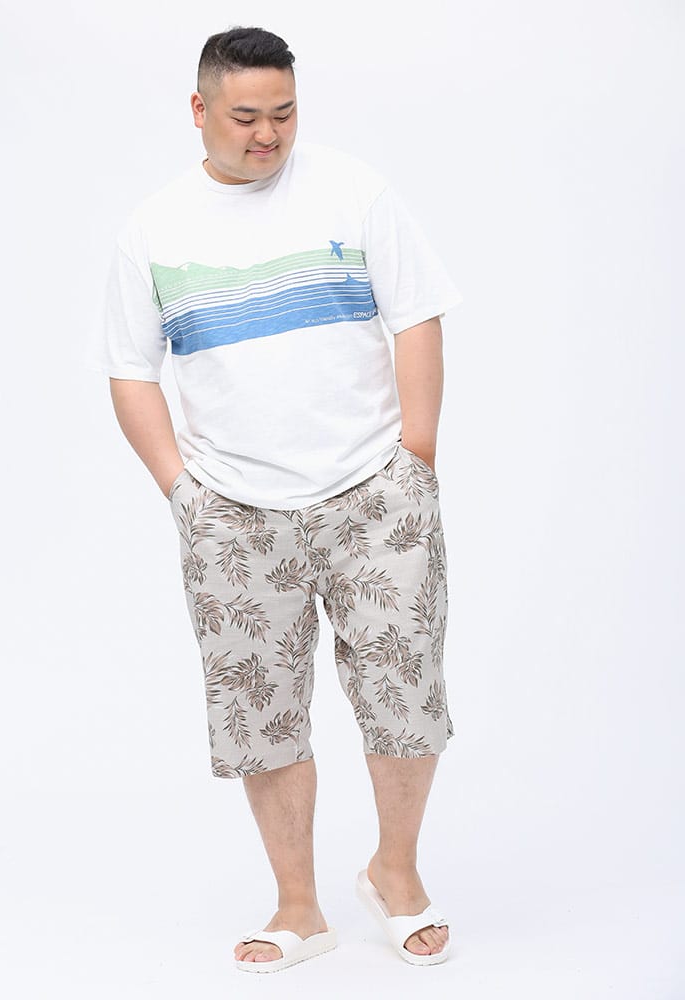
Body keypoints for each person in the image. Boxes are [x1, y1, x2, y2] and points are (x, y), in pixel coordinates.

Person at [87, 25, 463, 974]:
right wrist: (183, 492)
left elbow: (417, 313)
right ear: (199, 109)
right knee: (260, 715)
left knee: (407, 696)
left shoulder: (354, 191)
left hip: (374, 492)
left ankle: (396, 873)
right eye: (246, 116)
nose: (268, 134)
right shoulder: (153, 231)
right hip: (234, 509)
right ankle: (299, 905)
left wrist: (416, 458)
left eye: (284, 113)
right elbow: (130, 370)